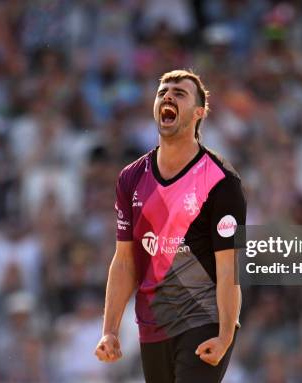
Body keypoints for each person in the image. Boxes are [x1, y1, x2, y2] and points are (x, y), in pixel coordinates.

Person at [94, 69, 246, 382]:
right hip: (152, 325)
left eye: (180, 93)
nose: (168, 96)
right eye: (163, 91)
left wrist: (225, 336)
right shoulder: (131, 178)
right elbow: (124, 261)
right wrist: (109, 331)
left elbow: (229, 269)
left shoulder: (220, 181)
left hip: (203, 320)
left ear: (198, 113)